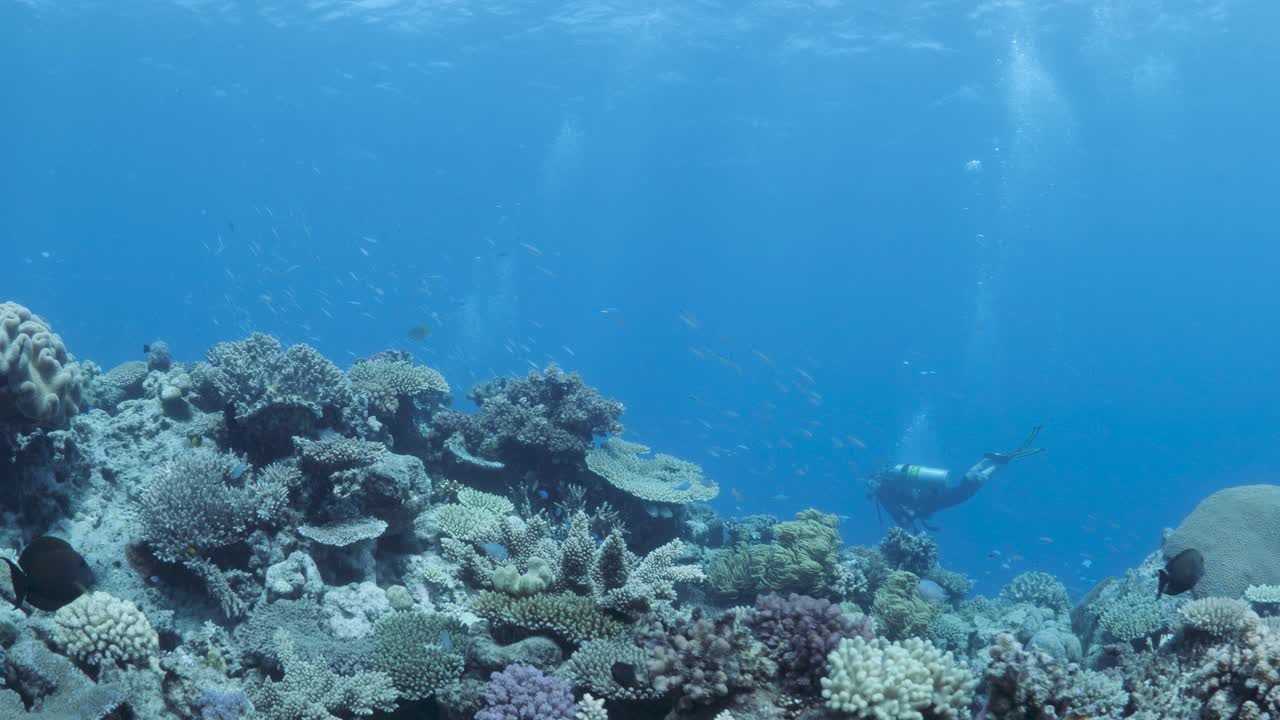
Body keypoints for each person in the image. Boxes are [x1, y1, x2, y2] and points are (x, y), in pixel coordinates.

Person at [867, 425, 1043, 531]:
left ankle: (991, 465)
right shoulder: (890, 482)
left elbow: (904, 515)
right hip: (930, 492)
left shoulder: (884, 494)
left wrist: (911, 520)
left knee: (963, 492)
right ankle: (988, 461)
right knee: (961, 491)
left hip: (929, 500)